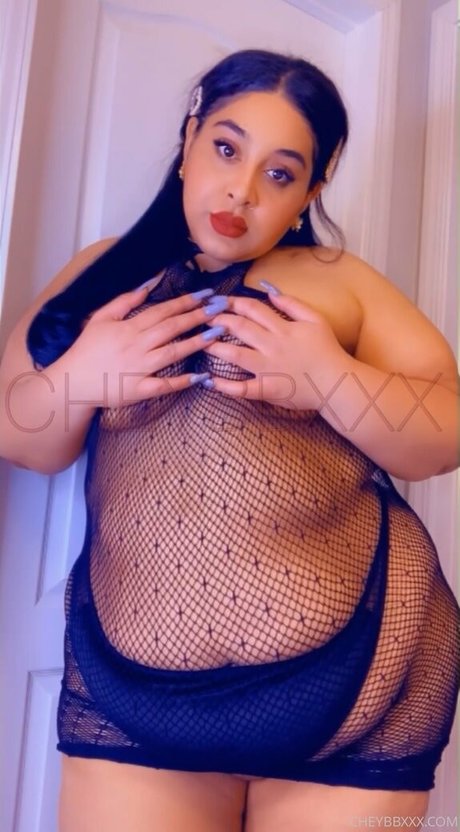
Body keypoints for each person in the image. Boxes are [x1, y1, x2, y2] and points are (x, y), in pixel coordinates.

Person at [0, 48, 458, 832]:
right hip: (132, 702)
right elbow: (22, 436)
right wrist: (81, 378)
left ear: (312, 191)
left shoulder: (338, 280)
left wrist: (329, 378)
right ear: (188, 142)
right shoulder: (101, 275)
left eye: (280, 173)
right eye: (225, 148)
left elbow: (444, 435)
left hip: (360, 688)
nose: (242, 190)